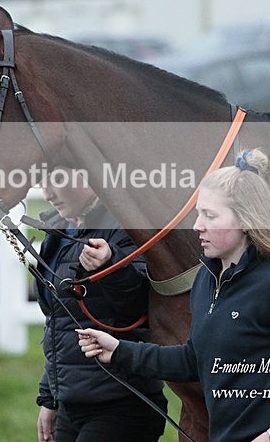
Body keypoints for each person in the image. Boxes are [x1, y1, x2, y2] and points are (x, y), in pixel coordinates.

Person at [77, 149, 270, 442]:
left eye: (209, 215)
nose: (197, 225)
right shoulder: (206, 284)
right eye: (198, 214)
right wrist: (119, 350)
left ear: (246, 220)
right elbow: (194, 360)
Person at [35, 166, 167, 442]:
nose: (47, 193)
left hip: (122, 402)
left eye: (56, 180)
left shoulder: (126, 224)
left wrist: (113, 266)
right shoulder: (60, 229)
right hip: (72, 404)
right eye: (41, 182)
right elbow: (60, 321)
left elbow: (140, 306)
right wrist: (50, 397)